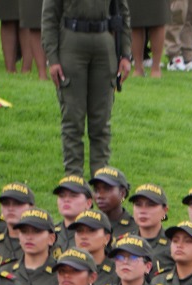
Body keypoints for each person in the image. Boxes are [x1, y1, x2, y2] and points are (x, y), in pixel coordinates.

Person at [43, 0, 132, 177]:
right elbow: (49, 16)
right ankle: (73, 180)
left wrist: (125, 54)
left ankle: (100, 181)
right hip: (71, 42)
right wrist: (52, 58)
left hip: (104, 43)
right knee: (72, 120)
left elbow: (122, 12)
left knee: (101, 122)